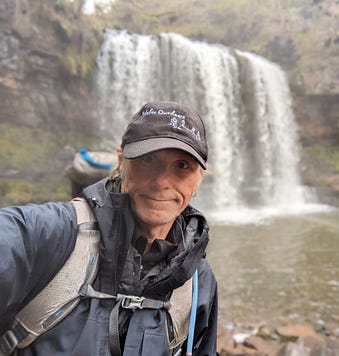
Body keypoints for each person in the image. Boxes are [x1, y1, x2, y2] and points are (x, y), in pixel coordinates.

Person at [0, 101, 218, 355]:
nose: (161, 182)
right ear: (120, 159)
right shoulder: (49, 235)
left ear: (199, 177)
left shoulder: (197, 281)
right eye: (148, 160)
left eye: (182, 166)